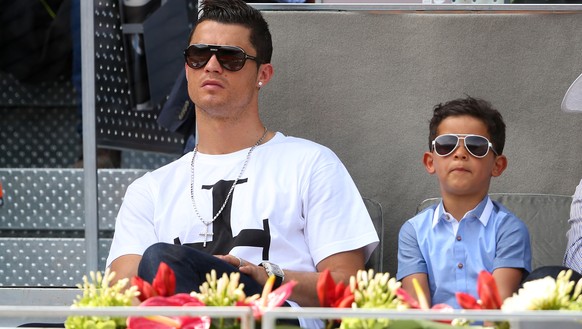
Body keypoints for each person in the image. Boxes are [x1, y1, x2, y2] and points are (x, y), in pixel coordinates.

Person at [106, 0, 379, 325]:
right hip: (179, 321)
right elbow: (119, 291)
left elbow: (349, 285)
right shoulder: (149, 190)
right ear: (187, 68)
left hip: (274, 317)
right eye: (198, 56)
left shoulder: (310, 163)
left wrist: (271, 276)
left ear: (263, 74)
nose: (211, 66)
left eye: (230, 58)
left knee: (160, 259)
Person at [396, 96, 532, 309]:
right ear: (430, 162)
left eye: (475, 146)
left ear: (498, 165)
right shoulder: (413, 232)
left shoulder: (509, 230)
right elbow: (417, 313)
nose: (459, 153)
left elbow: (496, 313)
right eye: (446, 145)